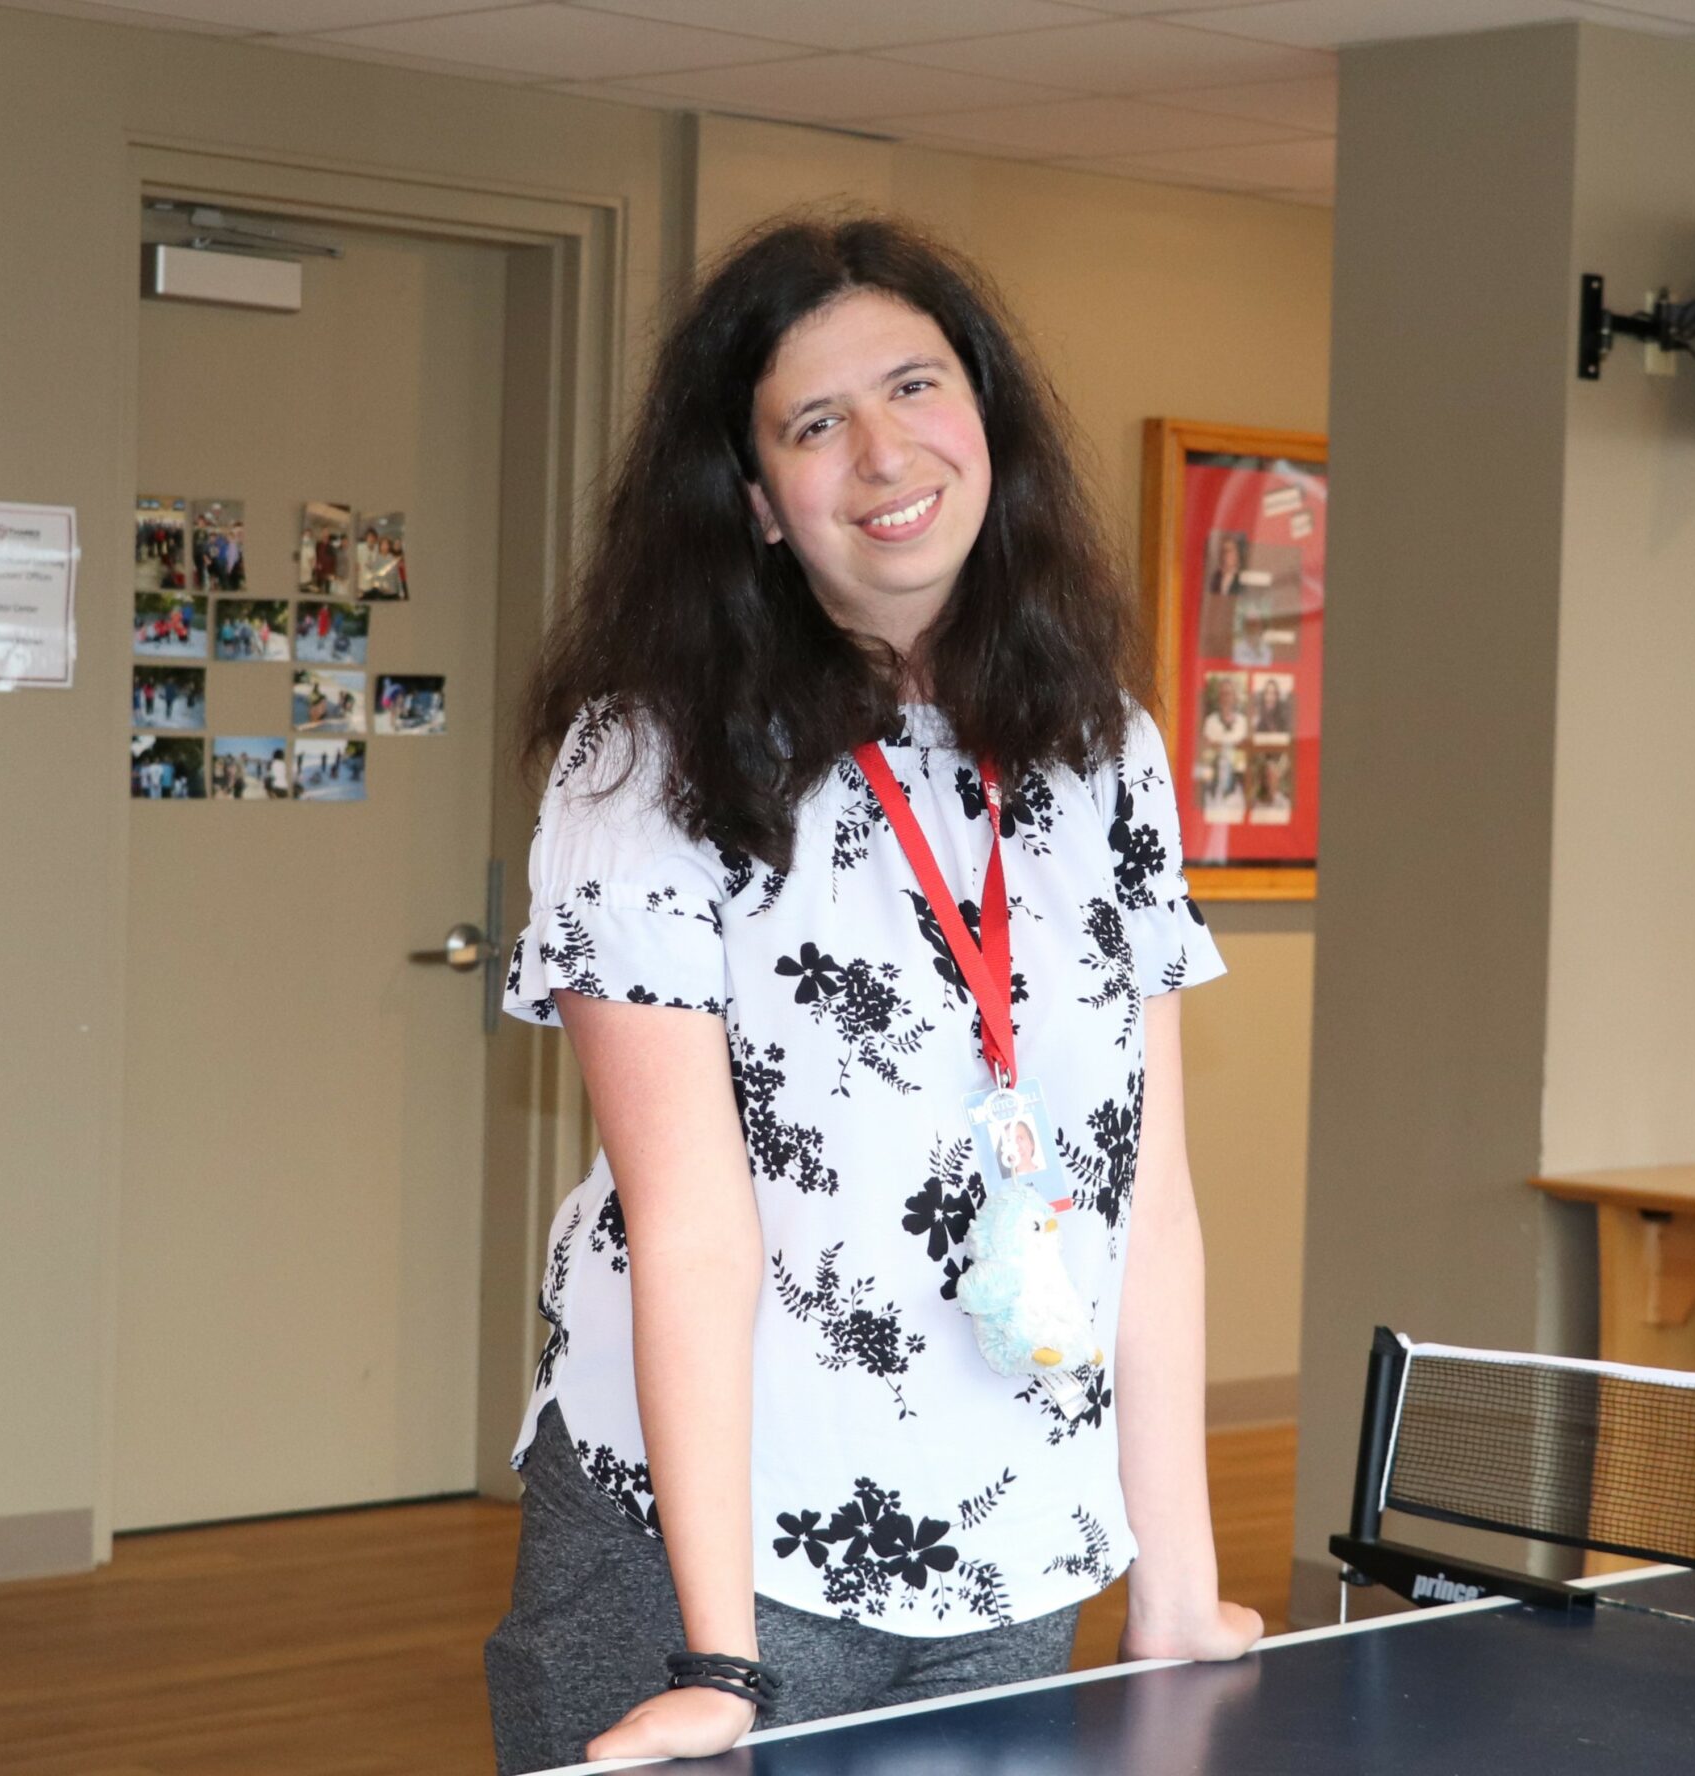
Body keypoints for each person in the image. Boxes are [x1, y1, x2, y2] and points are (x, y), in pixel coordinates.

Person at [484, 215, 1260, 1775]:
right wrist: (719, 1656)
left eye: (915, 387)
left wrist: (1173, 1577)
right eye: (815, 423)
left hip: (1013, 1530)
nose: (883, 450)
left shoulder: (1105, 752)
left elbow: (1143, 1196)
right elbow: (688, 1222)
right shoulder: (648, 762)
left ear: (987, 416)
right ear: (759, 503)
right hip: (711, 1541)